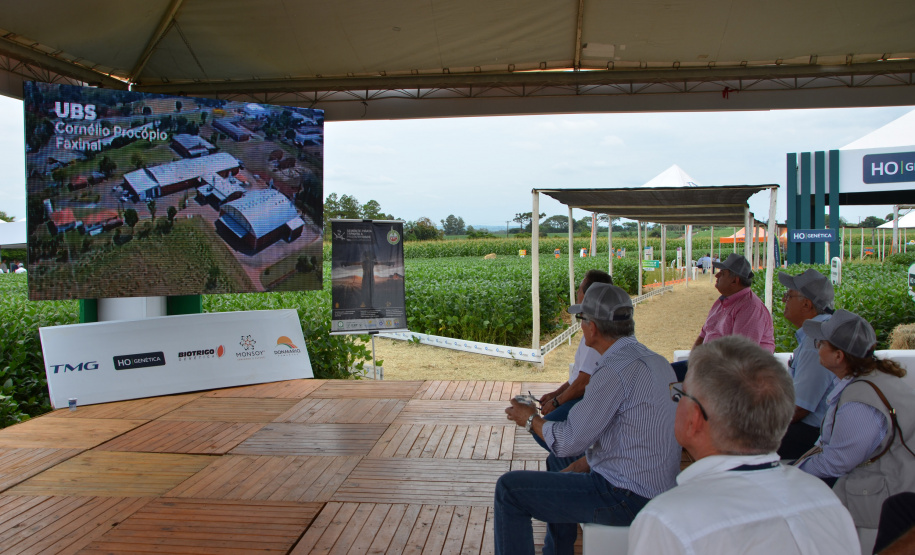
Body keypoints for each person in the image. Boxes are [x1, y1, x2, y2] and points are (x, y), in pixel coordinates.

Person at [629, 336, 859, 555]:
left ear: (695, 418)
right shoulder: (823, 498)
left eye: (680, 395)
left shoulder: (668, 520)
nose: (676, 402)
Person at [495, 283, 680, 555]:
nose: (581, 327)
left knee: (510, 490)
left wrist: (530, 418)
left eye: (581, 320)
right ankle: (557, 551)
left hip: (626, 497)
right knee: (560, 463)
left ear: (592, 327)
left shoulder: (613, 371)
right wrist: (582, 464)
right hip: (657, 487)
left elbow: (568, 440)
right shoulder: (657, 362)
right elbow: (626, 436)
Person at [796, 309, 915, 531]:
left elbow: (838, 461)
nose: (817, 349)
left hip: (878, 505)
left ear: (839, 356)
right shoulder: (874, 377)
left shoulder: (859, 401)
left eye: (821, 344)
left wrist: (795, 473)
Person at [534, 270, 613, 449]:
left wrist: (555, 402)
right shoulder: (603, 325)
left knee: (544, 430)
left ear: (587, 295)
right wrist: (555, 394)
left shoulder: (597, 335)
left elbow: (584, 383)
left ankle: (576, 456)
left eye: (579, 288)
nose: (577, 293)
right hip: (584, 396)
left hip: (586, 400)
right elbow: (578, 377)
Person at [671, 253, 774, 380]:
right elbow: (703, 336)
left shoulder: (750, 308)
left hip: (731, 379)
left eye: (722, 273)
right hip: (709, 368)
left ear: (734, 281)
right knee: (664, 373)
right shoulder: (722, 302)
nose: (716, 275)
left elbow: (739, 357)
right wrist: (692, 365)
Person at [777, 269, 836, 460]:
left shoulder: (816, 342)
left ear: (806, 304)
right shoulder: (820, 332)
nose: (784, 300)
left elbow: (800, 408)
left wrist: (762, 424)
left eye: (789, 295)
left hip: (813, 434)